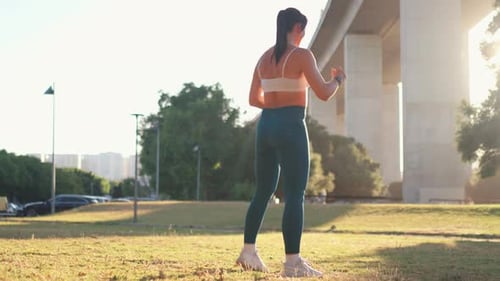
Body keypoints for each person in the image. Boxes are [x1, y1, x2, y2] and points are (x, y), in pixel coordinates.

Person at [235, 7, 346, 278]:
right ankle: (293, 263)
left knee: (263, 191)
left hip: (266, 126)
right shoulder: (302, 55)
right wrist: (338, 80)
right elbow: (323, 92)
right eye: (303, 29)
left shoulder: (263, 59)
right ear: (297, 28)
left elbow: (253, 99)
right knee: (295, 194)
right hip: (291, 125)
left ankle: (248, 252)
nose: (304, 34)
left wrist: (274, 105)